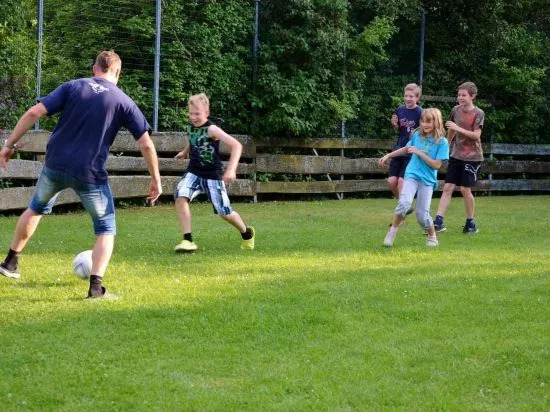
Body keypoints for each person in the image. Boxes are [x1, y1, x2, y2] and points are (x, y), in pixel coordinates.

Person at [0, 50, 162, 299]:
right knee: (106, 227)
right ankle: (96, 289)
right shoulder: (123, 101)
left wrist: (8, 145)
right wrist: (156, 180)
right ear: (117, 73)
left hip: (55, 165)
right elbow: (146, 145)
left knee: (35, 208)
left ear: (94, 68)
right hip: (89, 173)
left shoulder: (73, 86)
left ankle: (10, 263)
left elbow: (34, 113)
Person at [173, 93, 255, 252]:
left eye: (197, 114)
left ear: (207, 113)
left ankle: (247, 233)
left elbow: (236, 145)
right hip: (194, 171)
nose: (193, 117)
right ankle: (187, 240)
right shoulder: (191, 127)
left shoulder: (212, 129)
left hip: (212, 176)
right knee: (180, 195)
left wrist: (231, 169)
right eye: (191, 113)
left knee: (224, 212)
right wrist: (184, 152)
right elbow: (193, 140)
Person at [379, 108, 449, 247]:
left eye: (428, 121)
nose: (425, 124)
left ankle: (432, 236)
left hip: (427, 180)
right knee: (404, 203)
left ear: (436, 122)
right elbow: (406, 149)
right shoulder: (417, 135)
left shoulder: (442, 142)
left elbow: (437, 165)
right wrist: (388, 155)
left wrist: (419, 153)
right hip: (412, 174)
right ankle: (392, 232)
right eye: (422, 121)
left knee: (422, 215)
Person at [433, 82, 484, 234]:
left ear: (472, 96)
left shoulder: (479, 113)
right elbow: (451, 130)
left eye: (464, 95)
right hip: (456, 154)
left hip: (473, 157)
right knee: (447, 187)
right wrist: (446, 146)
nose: (460, 97)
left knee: (464, 189)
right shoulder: (455, 110)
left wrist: (457, 128)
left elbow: (476, 135)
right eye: (459, 95)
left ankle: (470, 223)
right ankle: (438, 222)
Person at [388, 83, 423, 201]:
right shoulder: (400, 110)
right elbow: (398, 129)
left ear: (417, 98)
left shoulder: (421, 112)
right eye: (406, 96)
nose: (408, 98)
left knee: (401, 182)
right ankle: (403, 205)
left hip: (411, 152)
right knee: (391, 181)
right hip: (399, 149)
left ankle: (402, 209)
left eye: (411, 96)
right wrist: (394, 125)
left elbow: (425, 131)